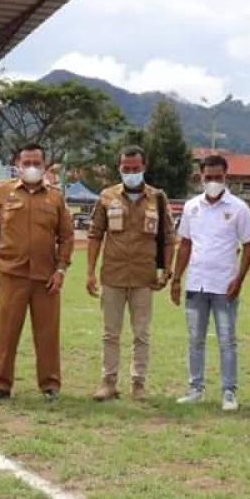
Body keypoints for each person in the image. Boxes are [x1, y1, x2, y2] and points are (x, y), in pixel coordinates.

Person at [0, 143, 74, 402]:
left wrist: (61, 269)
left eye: (36, 163)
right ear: (17, 164)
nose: (31, 168)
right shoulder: (3, 191)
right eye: (26, 163)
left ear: (45, 165)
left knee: (48, 334)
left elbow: (66, 236)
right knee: (6, 333)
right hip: (11, 274)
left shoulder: (55, 197)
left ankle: (50, 385)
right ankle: (0, 385)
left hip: (46, 277)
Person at [85, 146, 176, 402]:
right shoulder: (106, 196)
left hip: (143, 278)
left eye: (136, 168)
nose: (131, 173)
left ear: (144, 168)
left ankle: (138, 384)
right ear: (119, 168)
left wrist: (166, 270)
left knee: (141, 334)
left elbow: (169, 238)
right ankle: (108, 382)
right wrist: (90, 272)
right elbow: (94, 235)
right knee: (110, 333)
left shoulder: (157, 198)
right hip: (112, 275)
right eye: (126, 168)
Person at [170, 153, 250, 410]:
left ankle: (229, 392)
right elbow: (185, 244)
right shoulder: (191, 207)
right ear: (200, 177)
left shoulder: (239, 208)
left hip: (224, 286)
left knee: (226, 339)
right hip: (196, 283)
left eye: (218, 177)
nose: (213, 182)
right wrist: (176, 278)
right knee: (195, 339)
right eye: (208, 177)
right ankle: (195, 388)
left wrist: (239, 280)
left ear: (226, 177)